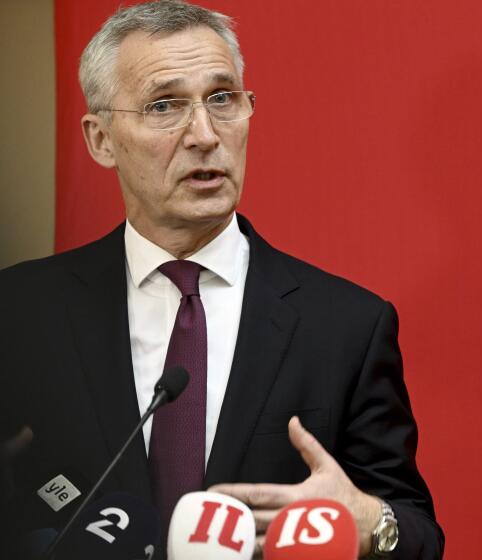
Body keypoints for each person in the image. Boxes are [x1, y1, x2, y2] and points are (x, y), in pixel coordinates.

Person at [0, 1, 443, 558]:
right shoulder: (19, 312)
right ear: (100, 139)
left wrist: (372, 523)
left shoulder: (346, 326)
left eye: (222, 98)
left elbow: (417, 535)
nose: (205, 134)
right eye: (165, 105)